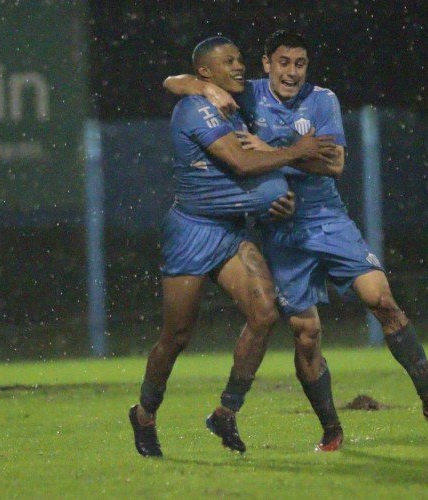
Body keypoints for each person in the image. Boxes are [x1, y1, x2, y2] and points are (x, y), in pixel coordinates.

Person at [164, 29, 428, 452]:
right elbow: (173, 82)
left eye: (300, 64)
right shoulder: (244, 94)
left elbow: (335, 164)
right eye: (283, 62)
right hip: (281, 232)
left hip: (326, 219)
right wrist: (199, 87)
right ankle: (332, 431)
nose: (292, 72)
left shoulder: (322, 100)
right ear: (267, 64)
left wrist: (270, 148)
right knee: (306, 333)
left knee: (381, 299)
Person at [129, 36, 337, 457]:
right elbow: (241, 162)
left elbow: (244, 173)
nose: (240, 66)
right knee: (177, 336)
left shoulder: (234, 104)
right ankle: (145, 413)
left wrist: (271, 197)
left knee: (264, 314)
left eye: (240, 59)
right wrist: (296, 153)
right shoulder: (195, 107)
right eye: (228, 62)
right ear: (206, 72)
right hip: (191, 232)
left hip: (229, 232)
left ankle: (226, 411)